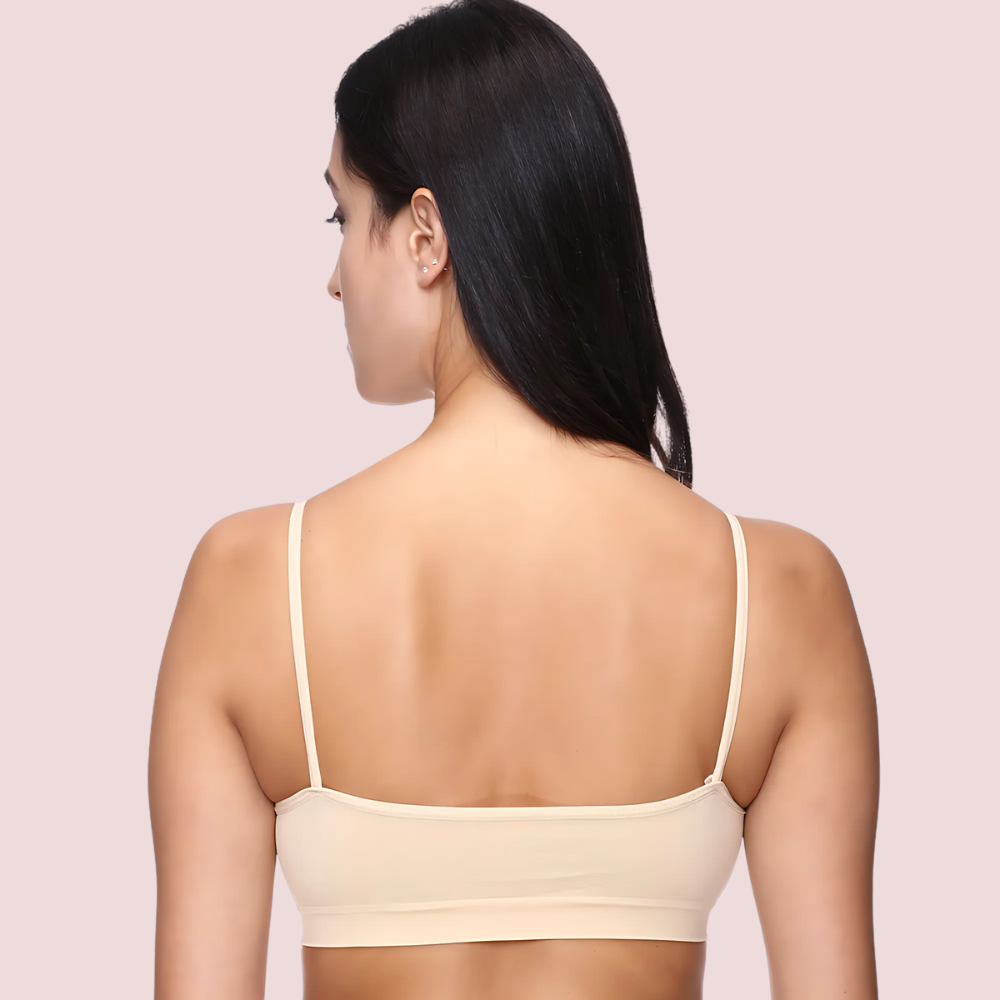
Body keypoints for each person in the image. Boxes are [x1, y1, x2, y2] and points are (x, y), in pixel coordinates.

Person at [148, 2, 880, 997]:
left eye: (340, 218)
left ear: (424, 235)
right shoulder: (781, 592)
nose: (333, 278)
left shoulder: (247, 582)